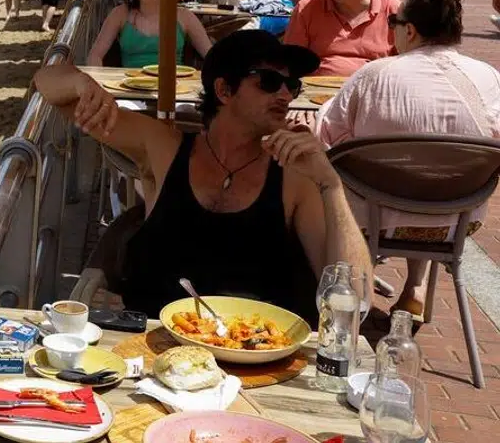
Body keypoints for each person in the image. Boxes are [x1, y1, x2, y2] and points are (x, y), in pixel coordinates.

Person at [34, 30, 371, 325]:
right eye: (269, 82)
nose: (284, 95)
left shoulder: (295, 176)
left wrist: (331, 184)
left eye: (291, 85)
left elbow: (354, 300)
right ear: (224, 90)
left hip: (253, 352)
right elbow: (47, 83)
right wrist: (81, 82)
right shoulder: (163, 147)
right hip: (151, 345)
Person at [315, 0, 499, 315]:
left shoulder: (374, 76)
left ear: (410, 30)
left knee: (328, 179)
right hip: (455, 219)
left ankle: (341, 286)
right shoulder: (488, 77)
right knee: (430, 178)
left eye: (393, 24)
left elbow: (325, 133)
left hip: (372, 218)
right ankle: (415, 284)